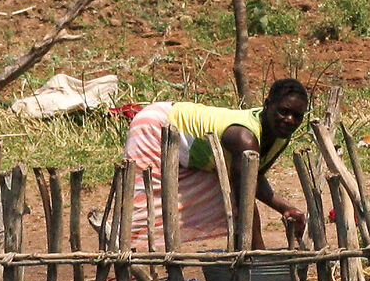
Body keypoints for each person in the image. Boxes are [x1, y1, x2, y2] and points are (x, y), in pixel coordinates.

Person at [119, 79, 311, 246]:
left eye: (297, 116)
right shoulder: (244, 138)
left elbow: (254, 179)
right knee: (142, 201)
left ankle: (240, 256)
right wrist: (260, 252)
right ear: (267, 105)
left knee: (227, 193)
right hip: (156, 126)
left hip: (191, 149)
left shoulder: (280, 137)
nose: (290, 120)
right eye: (284, 112)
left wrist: (286, 208)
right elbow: (245, 197)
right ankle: (126, 263)